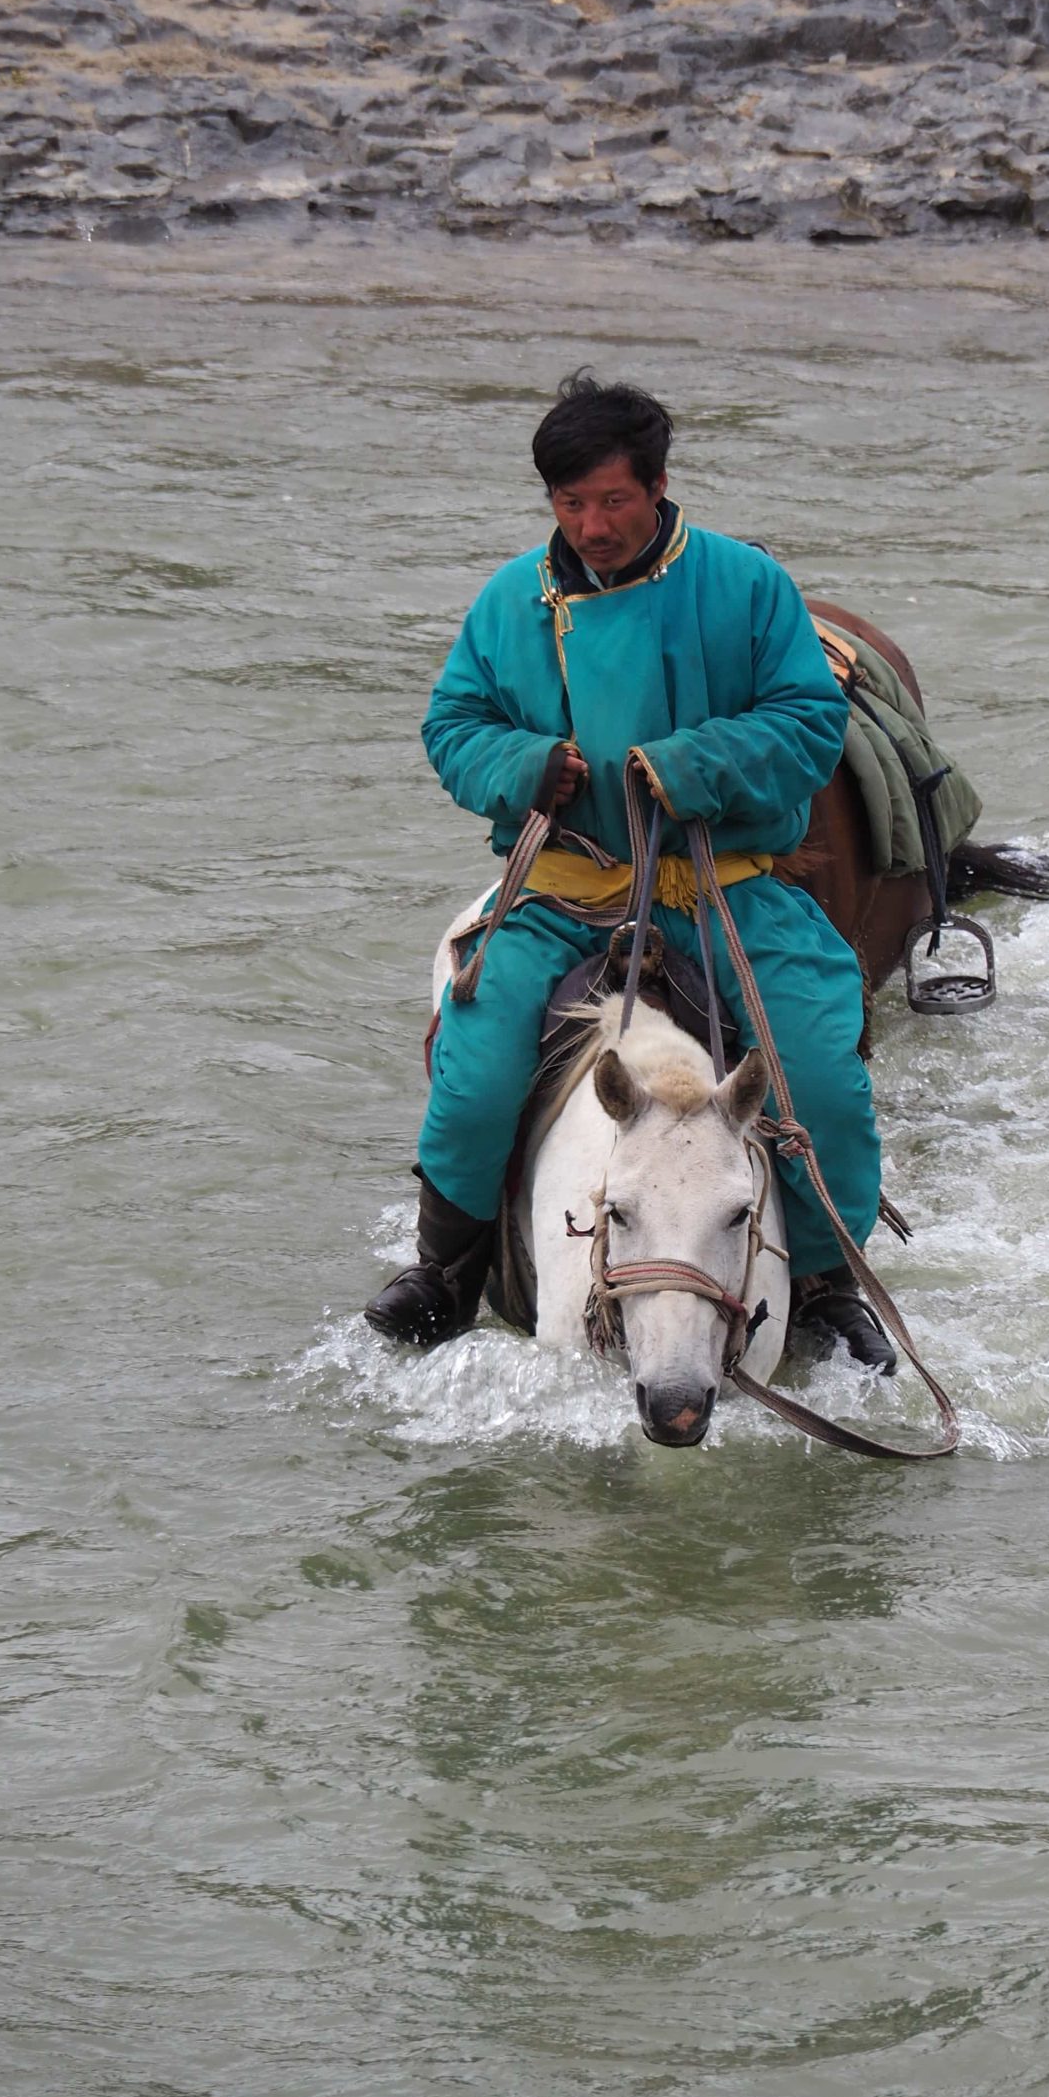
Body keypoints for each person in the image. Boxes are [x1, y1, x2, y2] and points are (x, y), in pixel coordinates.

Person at [365, 371, 896, 1372]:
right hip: (563, 887)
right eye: (570, 504)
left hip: (724, 884)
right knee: (476, 1073)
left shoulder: (744, 585)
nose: (591, 524)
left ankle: (825, 1283)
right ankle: (447, 1269)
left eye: (611, 500)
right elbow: (452, 725)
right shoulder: (508, 599)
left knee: (818, 1072)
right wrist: (523, 767)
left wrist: (695, 764)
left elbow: (808, 719)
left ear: (658, 486)